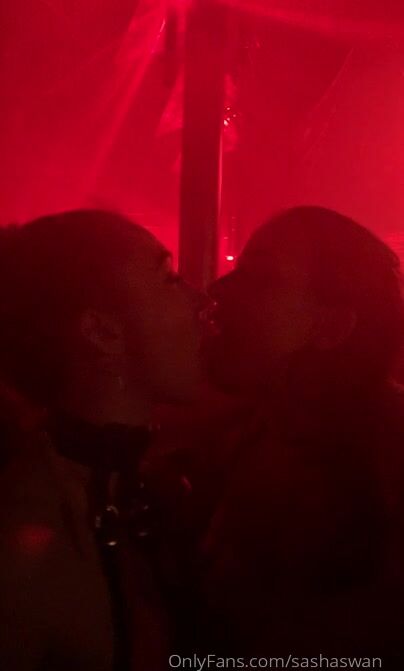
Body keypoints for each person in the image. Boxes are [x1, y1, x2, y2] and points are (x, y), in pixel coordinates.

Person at [200, 206, 404, 664]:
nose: (219, 289)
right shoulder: (245, 433)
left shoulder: (391, 457)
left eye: (259, 278)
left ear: (332, 326)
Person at [0, 209, 202, 670]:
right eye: (169, 279)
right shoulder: (25, 536)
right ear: (101, 331)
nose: (200, 300)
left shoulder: (145, 488)